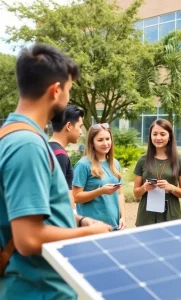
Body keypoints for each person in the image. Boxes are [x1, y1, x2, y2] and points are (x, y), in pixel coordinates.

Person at [0, 44, 112, 299]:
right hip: (38, 290)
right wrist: (87, 233)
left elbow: (39, 210)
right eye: (69, 90)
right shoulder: (26, 145)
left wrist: (80, 220)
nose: (68, 98)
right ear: (56, 90)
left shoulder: (14, 135)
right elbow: (27, 239)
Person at [133, 119, 181, 226]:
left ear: (169, 137)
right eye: (155, 134)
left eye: (162, 134)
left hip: (170, 216)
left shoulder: (179, 161)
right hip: (146, 216)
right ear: (150, 136)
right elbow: (136, 193)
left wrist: (171, 188)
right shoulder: (142, 161)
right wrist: (144, 187)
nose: (158, 138)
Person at [72, 123, 126, 230]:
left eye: (107, 139)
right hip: (93, 228)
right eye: (100, 140)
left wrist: (123, 217)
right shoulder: (83, 165)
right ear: (92, 143)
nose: (105, 143)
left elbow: (120, 194)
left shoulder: (115, 163)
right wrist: (100, 191)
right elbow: (76, 197)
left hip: (115, 226)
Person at [49, 104, 84, 208]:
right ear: (69, 126)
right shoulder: (60, 156)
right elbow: (60, 196)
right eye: (80, 126)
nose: (81, 132)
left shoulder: (45, 148)